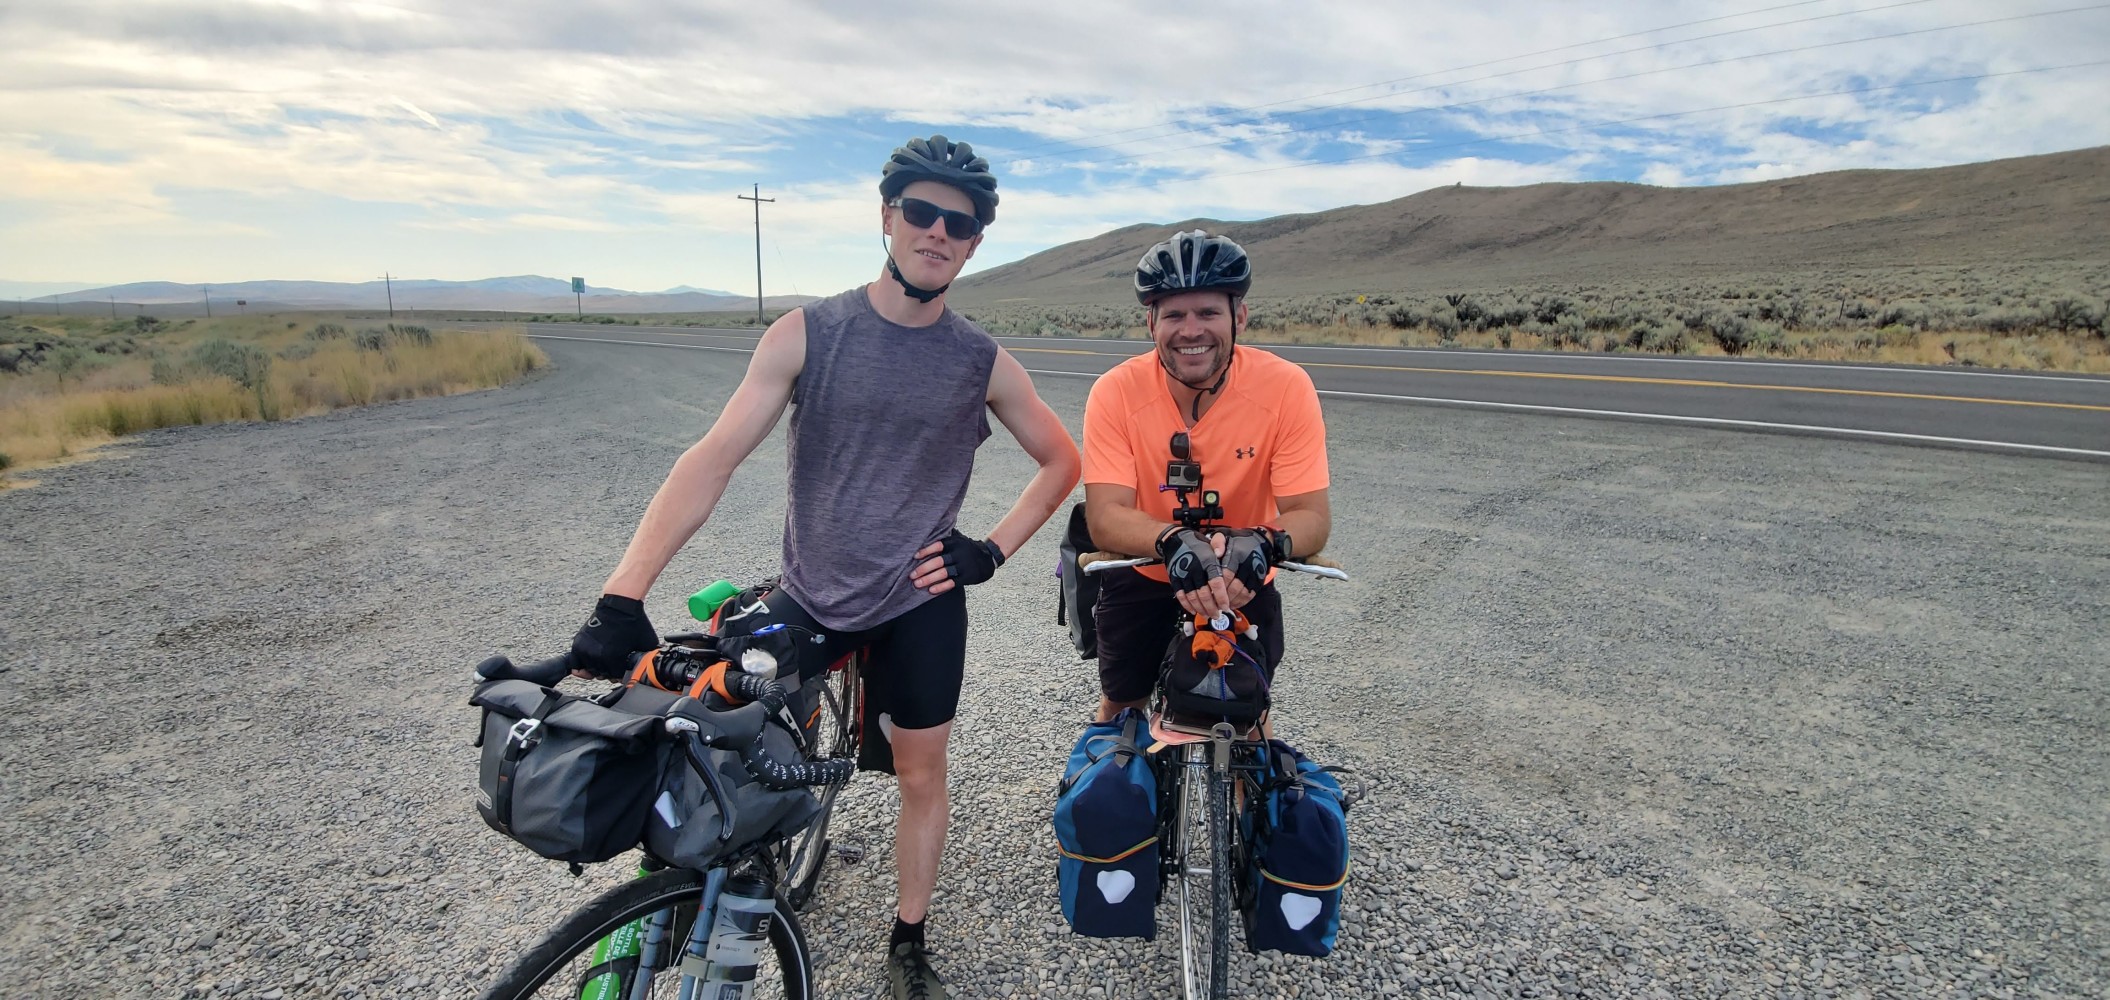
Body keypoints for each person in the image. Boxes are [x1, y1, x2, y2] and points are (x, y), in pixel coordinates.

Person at [567, 135, 1081, 999]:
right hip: (810, 594)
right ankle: (670, 910)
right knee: (715, 739)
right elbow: (713, 458)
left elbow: (1063, 461)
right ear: (887, 218)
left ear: (975, 244)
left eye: (958, 223)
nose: (936, 232)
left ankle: (908, 938)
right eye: (920, 212)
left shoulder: (980, 359)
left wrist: (988, 549)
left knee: (921, 773)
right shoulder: (810, 332)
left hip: (918, 603)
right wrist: (623, 592)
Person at [1078, 230, 1332, 723]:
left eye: (1208, 313)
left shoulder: (1284, 388)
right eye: (1173, 314)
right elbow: (1105, 516)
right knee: (1121, 708)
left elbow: (1312, 516)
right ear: (1150, 321)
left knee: (1248, 722)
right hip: (1145, 571)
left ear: (1239, 316)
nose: (1190, 330)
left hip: (1244, 578)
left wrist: (1263, 544)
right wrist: (1173, 542)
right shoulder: (1115, 392)